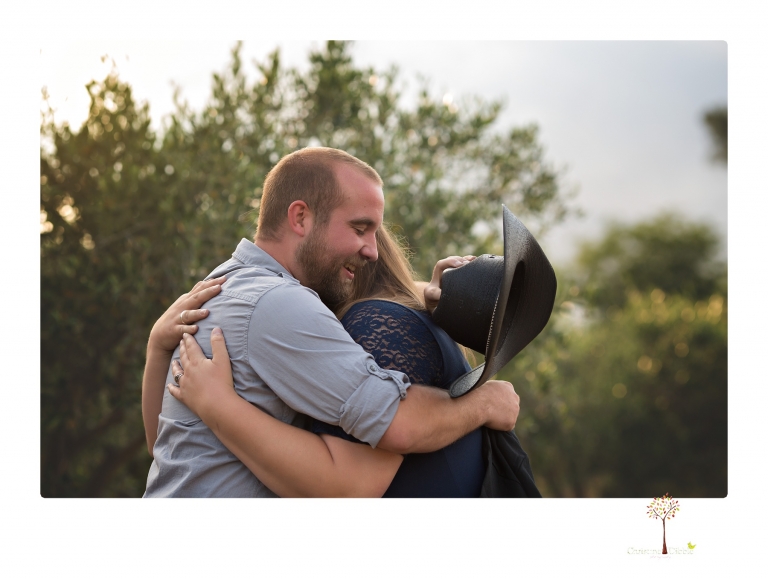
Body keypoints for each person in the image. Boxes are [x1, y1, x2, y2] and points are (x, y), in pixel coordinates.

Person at [142, 147, 520, 497]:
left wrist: (158, 349)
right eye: (359, 229)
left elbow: (166, 448)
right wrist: (485, 402)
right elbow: (393, 430)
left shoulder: (221, 287)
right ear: (300, 217)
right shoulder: (278, 303)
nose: (372, 251)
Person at [153, 225, 485, 497]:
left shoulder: (374, 323)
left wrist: (218, 406)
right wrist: (157, 348)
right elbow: (168, 449)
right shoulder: (390, 314)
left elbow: (353, 484)